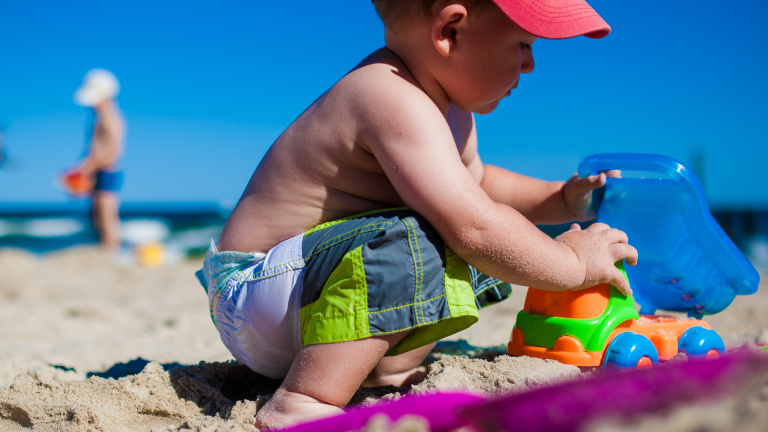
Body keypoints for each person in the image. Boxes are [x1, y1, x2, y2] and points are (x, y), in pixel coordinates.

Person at [196, 0, 637, 428]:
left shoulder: (450, 113)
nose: (529, 65)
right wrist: (575, 264)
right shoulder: (388, 93)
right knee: (447, 236)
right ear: (450, 31)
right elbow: (475, 224)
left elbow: (477, 188)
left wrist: (560, 199)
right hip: (258, 295)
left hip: (305, 300)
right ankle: (304, 401)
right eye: (524, 44)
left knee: (481, 232)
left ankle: (378, 370)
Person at [71, 69, 125, 250]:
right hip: (98, 171)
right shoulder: (100, 119)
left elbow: (111, 152)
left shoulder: (110, 119)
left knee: (106, 215)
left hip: (107, 171)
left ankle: (111, 249)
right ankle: (104, 246)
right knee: (97, 214)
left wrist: (85, 167)